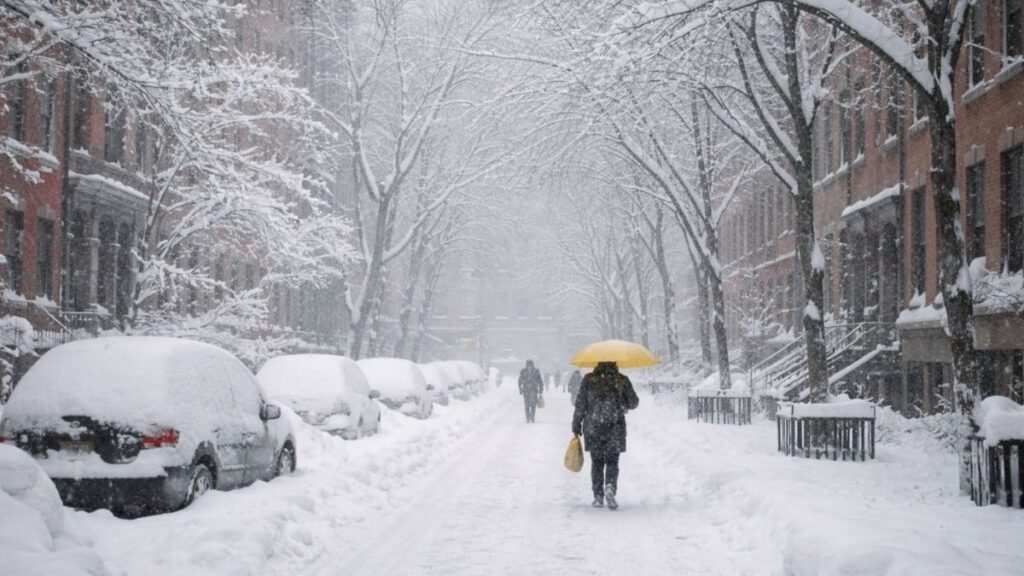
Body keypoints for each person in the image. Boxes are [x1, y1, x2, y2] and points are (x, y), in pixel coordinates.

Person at [571, 361, 639, 510]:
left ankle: (598, 496)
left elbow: (580, 404)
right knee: (612, 462)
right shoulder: (621, 379)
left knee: (597, 463)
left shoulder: (589, 379)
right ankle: (610, 487)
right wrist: (623, 403)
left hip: (593, 427)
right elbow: (634, 402)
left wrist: (576, 425)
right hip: (614, 428)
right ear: (615, 363)